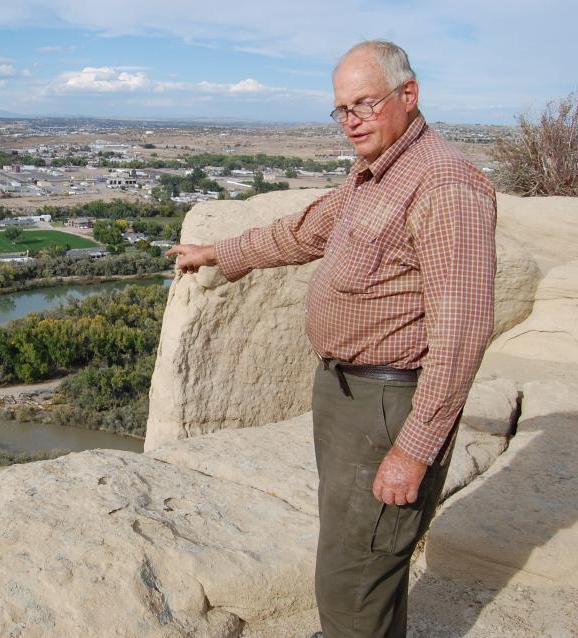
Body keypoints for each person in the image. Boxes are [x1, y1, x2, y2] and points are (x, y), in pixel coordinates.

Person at [166, 40, 496, 638]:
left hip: (391, 406)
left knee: (352, 572)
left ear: (409, 95)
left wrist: (414, 450)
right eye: (341, 110)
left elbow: (463, 331)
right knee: (365, 559)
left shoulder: (444, 184)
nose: (351, 121)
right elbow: (304, 232)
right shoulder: (378, 176)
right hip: (349, 397)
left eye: (364, 104)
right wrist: (218, 252)